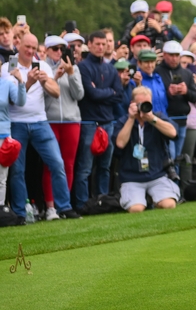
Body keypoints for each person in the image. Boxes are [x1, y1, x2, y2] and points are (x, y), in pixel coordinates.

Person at [1, 34, 81, 220]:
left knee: (57, 163)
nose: (30, 51)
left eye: (34, 48)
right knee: (17, 170)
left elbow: (56, 92)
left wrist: (45, 81)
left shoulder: (42, 65)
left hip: (39, 121)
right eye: (27, 47)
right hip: (17, 123)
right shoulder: (9, 66)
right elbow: (13, 100)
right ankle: (20, 213)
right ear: (18, 44)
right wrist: (27, 82)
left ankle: (64, 207)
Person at [75, 31, 124, 210]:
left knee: (105, 167)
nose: (101, 47)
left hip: (108, 122)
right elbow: (92, 94)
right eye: (97, 44)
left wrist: (105, 93)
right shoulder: (83, 67)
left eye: (104, 44)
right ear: (90, 44)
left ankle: (102, 201)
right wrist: (108, 92)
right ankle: (82, 204)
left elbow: (119, 95)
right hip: (89, 123)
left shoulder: (110, 68)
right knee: (85, 168)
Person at [113, 86, 180, 213]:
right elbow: (120, 143)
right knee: (136, 209)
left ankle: (152, 199)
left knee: (169, 204)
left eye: (147, 103)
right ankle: (143, 200)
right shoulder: (124, 121)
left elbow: (173, 133)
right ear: (132, 104)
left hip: (157, 175)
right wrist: (131, 119)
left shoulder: (157, 117)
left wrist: (152, 119)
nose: (143, 107)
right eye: (140, 104)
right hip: (131, 177)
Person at [43, 35, 84, 220]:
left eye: (62, 49)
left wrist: (70, 74)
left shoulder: (73, 67)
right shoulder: (43, 68)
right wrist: (54, 77)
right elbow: (41, 98)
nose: (59, 52)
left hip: (71, 120)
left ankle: (64, 206)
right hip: (50, 120)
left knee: (68, 164)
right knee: (51, 164)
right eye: (55, 49)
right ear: (47, 50)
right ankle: (50, 207)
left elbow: (79, 94)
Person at [155, 41, 196, 161]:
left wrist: (186, 92)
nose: (174, 58)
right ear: (164, 55)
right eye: (171, 55)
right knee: (171, 156)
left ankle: (176, 180)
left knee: (178, 158)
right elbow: (155, 96)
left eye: (177, 55)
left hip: (182, 120)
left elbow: (195, 97)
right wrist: (168, 93)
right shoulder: (157, 71)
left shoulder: (187, 73)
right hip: (166, 119)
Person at [0, 58, 25, 211]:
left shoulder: (7, 84)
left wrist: (20, 81)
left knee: (2, 177)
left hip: (3, 135)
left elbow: (20, 102)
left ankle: (1, 207)